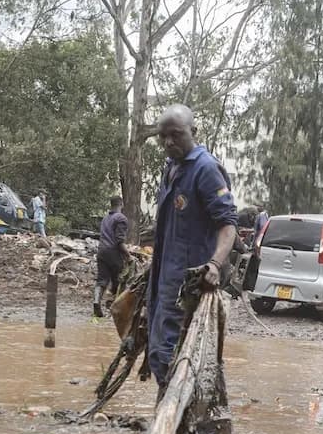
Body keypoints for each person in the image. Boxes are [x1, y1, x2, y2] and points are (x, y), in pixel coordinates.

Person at [147, 104, 238, 388]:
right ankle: (169, 424)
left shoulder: (206, 169)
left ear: (193, 132)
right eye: (163, 137)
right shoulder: (172, 168)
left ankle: (184, 425)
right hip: (162, 280)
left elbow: (228, 225)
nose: (169, 142)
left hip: (188, 287)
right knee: (158, 355)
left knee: (178, 357)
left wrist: (215, 264)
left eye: (176, 135)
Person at [95, 196, 130, 317]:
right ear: (121, 204)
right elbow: (119, 241)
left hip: (101, 251)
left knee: (101, 280)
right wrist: (128, 256)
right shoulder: (121, 218)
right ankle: (115, 307)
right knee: (119, 279)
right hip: (113, 253)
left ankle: (96, 302)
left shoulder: (105, 219)